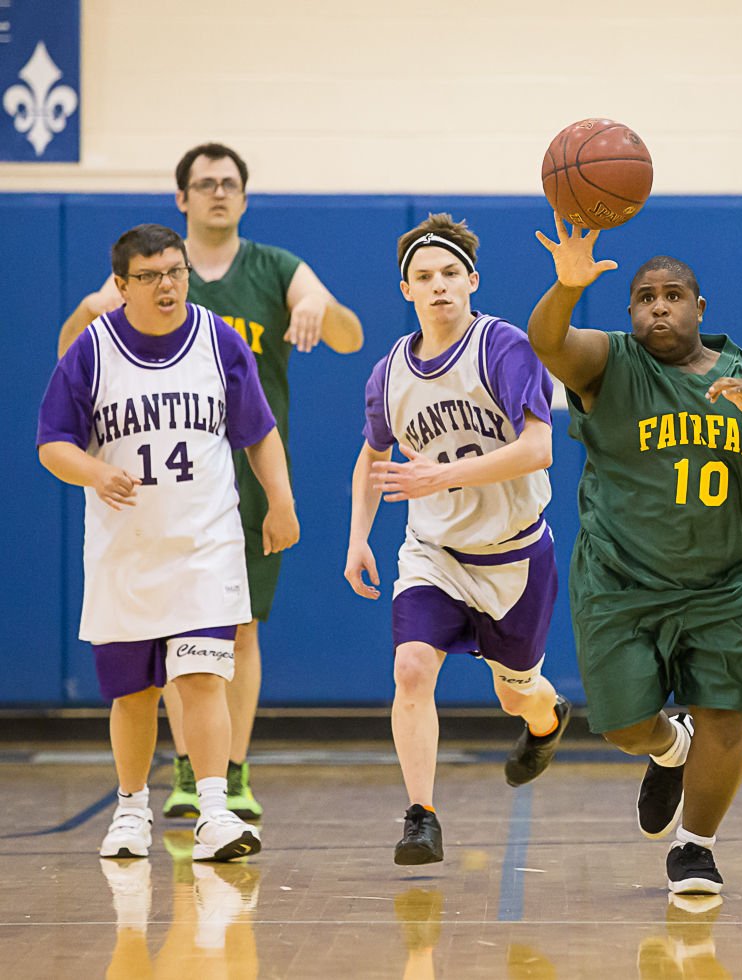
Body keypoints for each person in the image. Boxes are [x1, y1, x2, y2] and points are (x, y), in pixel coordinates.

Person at [528, 216, 742, 895]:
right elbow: (546, 341)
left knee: (728, 716)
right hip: (621, 583)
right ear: (631, 311)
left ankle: (695, 848)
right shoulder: (610, 362)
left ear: (700, 308)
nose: (659, 306)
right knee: (622, 727)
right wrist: (566, 285)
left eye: (673, 295)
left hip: (724, 588)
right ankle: (670, 748)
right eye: (645, 297)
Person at [56, 142, 363, 822]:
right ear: (182, 198)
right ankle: (192, 773)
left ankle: (231, 768)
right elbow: (72, 357)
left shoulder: (276, 268)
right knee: (173, 636)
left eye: (230, 183)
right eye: (205, 182)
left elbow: (349, 337)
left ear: (245, 198)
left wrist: (319, 303)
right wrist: (87, 308)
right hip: (154, 482)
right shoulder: (149, 273)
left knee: (239, 632)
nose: (218, 192)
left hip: (241, 473)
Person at [37, 223, 299, 861]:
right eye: (151, 276)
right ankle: (130, 812)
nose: (168, 285)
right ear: (121, 286)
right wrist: (96, 471)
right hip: (125, 549)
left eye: (176, 271)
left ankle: (215, 812)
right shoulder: (92, 350)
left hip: (205, 543)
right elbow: (53, 444)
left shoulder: (220, 342)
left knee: (202, 678)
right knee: (134, 693)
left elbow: (258, 430)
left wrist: (281, 500)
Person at [345, 214, 568, 866]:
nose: (437, 286)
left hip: (514, 555)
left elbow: (538, 448)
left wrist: (441, 473)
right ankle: (421, 816)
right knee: (411, 668)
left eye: (449, 274)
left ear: (472, 280)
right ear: (406, 289)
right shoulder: (388, 374)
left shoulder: (503, 348)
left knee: (515, 693)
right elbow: (372, 456)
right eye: (423, 277)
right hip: (435, 553)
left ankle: (546, 721)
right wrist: (359, 536)